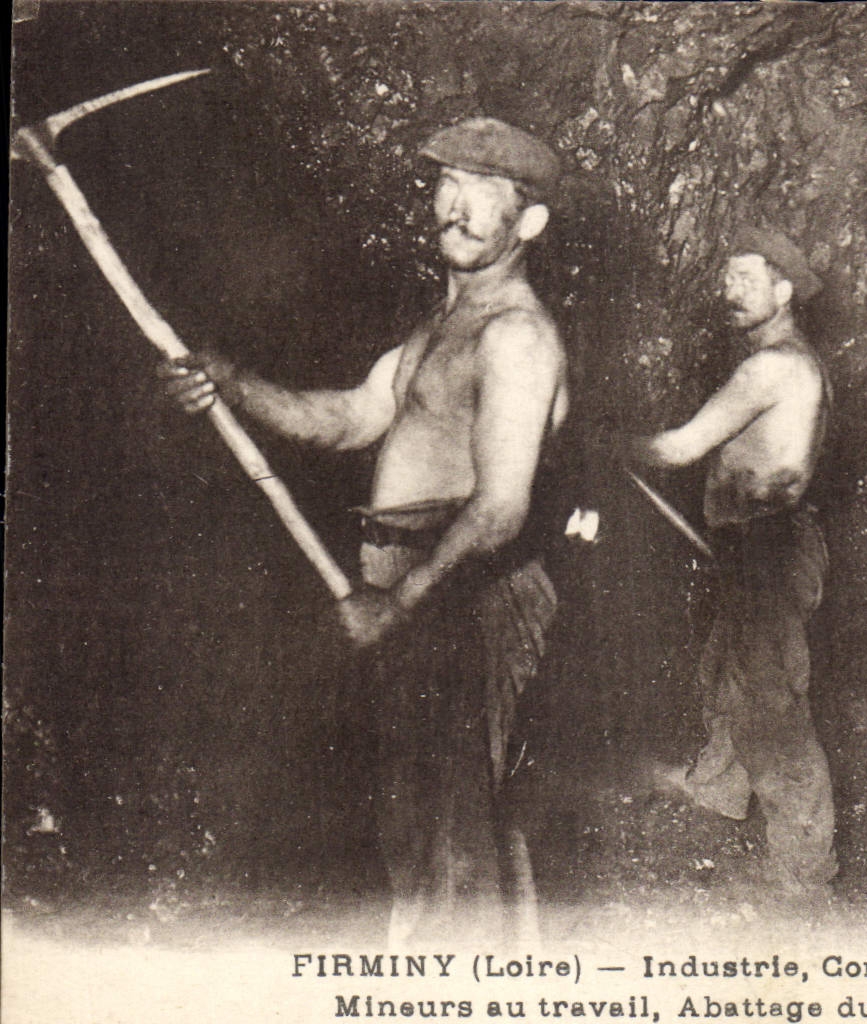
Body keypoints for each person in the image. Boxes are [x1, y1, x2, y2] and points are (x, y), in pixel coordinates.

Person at [162, 117, 569, 946]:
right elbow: (349, 417)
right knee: (424, 807)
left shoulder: (516, 335)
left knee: (453, 819)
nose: (453, 209)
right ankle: (460, 965)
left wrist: (400, 602)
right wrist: (232, 384)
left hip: (465, 589)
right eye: (446, 187)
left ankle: (457, 998)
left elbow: (499, 509)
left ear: (528, 224)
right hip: (416, 581)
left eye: (482, 197)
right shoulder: (440, 326)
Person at [631, 225, 836, 900]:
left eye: (746, 278)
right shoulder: (787, 357)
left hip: (768, 549)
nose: (730, 290)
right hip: (755, 541)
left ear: (783, 289)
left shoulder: (771, 367)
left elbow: (683, 447)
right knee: (728, 667)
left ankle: (805, 870)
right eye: (728, 277)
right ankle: (718, 786)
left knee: (771, 704)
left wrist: (611, 442)